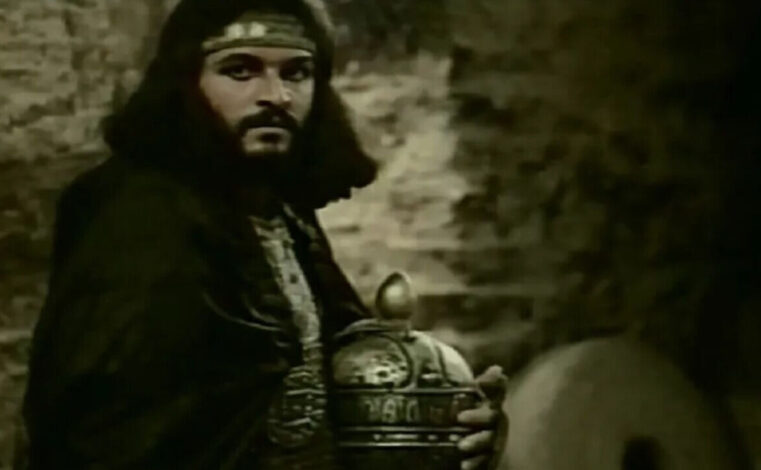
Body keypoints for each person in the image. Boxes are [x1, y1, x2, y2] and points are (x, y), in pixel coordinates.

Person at [19, 0, 506, 468]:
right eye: (240, 71)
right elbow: (109, 433)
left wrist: (442, 425)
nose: (277, 96)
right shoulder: (136, 214)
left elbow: (342, 387)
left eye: (296, 73)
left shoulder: (283, 216)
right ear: (187, 82)